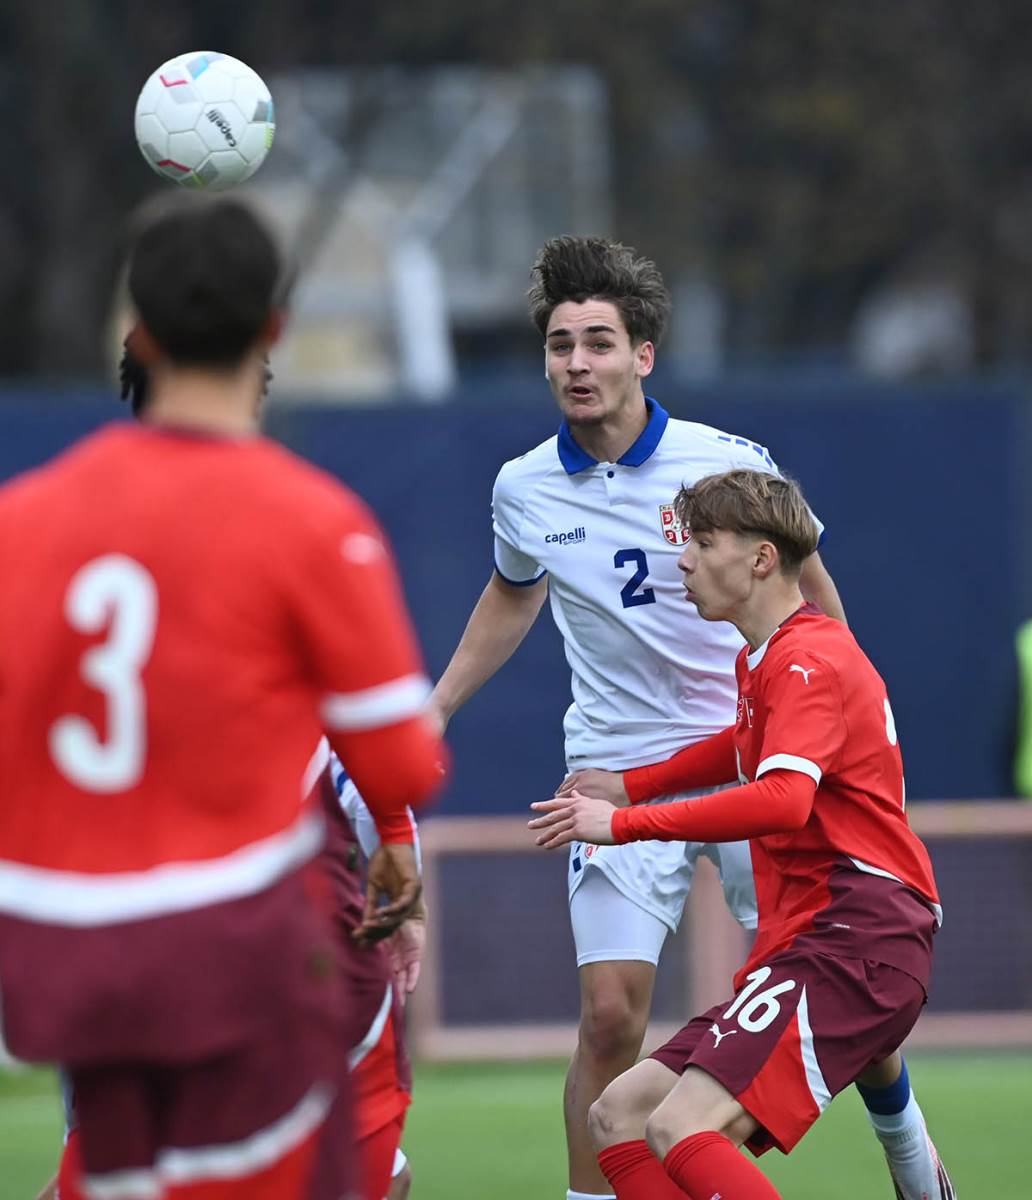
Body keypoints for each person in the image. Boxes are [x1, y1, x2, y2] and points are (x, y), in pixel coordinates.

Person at [429, 235, 942, 1200]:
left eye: (597, 343)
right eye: (558, 346)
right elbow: (512, 594)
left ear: (643, 356)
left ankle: (904, 1140)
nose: (576, 364)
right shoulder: (523, 486)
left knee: (828, 967)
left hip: (755, 757)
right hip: (622, 758)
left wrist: (841, 720)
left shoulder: (730, 465)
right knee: (610, 1016)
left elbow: (812, 594)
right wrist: (440, 703)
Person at [0, 197, 446, 1200]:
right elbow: (404, 762)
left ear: (140, 337)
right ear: (274, 331)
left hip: (61, 957)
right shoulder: (309, 522)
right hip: (225, 955)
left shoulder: (19, 522)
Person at [529, 468, 952, 1200]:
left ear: (761, 558)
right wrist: (631, 782)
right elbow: (741, 745)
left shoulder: (806, 659)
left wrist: (624, 823)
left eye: (702, 541)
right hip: (816, 941)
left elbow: (784, 798)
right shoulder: (768, 657)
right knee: (620, 1114)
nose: (682, 559)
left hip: (856, 938)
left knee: (680, 1127)